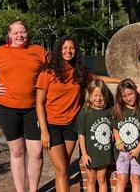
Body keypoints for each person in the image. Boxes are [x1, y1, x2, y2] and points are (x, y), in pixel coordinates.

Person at [0, 19, 47, 192]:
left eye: (22, 32)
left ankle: (33, 190)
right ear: (9, 35)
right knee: (17, 152)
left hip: (33, 109)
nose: (19, 35)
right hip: (7, 109)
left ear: (27, 32)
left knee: (36, 152)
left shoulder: (38, 51)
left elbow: (54, 71)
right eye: (15, 33)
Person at [35, 36, 91, 192]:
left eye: (72, 48)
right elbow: (39, 103)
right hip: (52, 125)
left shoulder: (79, 72)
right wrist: (44, 131)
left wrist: (124, 81)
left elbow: (99, 79)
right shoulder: (47, 72)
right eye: (65, 48)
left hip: (71, 125)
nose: (68, 51)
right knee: (61, 169)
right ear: (59, 50)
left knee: (63, 168)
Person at [75, 79, 113, 192]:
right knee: (91, 180)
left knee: (102, 179)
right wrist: (84, 154)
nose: (98, 98)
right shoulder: (85, 112)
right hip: (90, 152)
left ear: (105, 96)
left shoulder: (109, 111)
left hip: (104, 151)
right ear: (89, 95)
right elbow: (81, 134)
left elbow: (113, 130)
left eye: (101, 95)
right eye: (95, 95)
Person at [111, 79, 140, 192]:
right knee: (122, 179)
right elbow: (115, 127)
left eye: (131, 94)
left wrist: (138, 149)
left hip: (137, 151)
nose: (128, 98)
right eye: (124, 96)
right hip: (121, 151)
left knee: (136, 179)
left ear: (135, 92)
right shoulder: (119, 109)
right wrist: (118, 141)